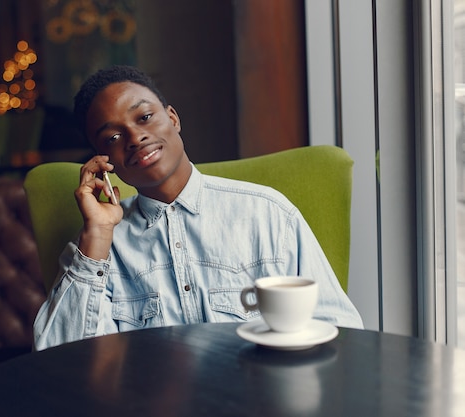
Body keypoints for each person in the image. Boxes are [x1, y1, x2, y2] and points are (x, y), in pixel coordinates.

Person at [33, 65, 363, 350]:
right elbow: (63, 363)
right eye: (113, 139)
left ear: (172, 118)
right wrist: (99, 235)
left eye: (145, 117)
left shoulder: (268, 215)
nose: (134, 137)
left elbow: (339, 330)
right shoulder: (96, 247)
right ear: (103, 160)